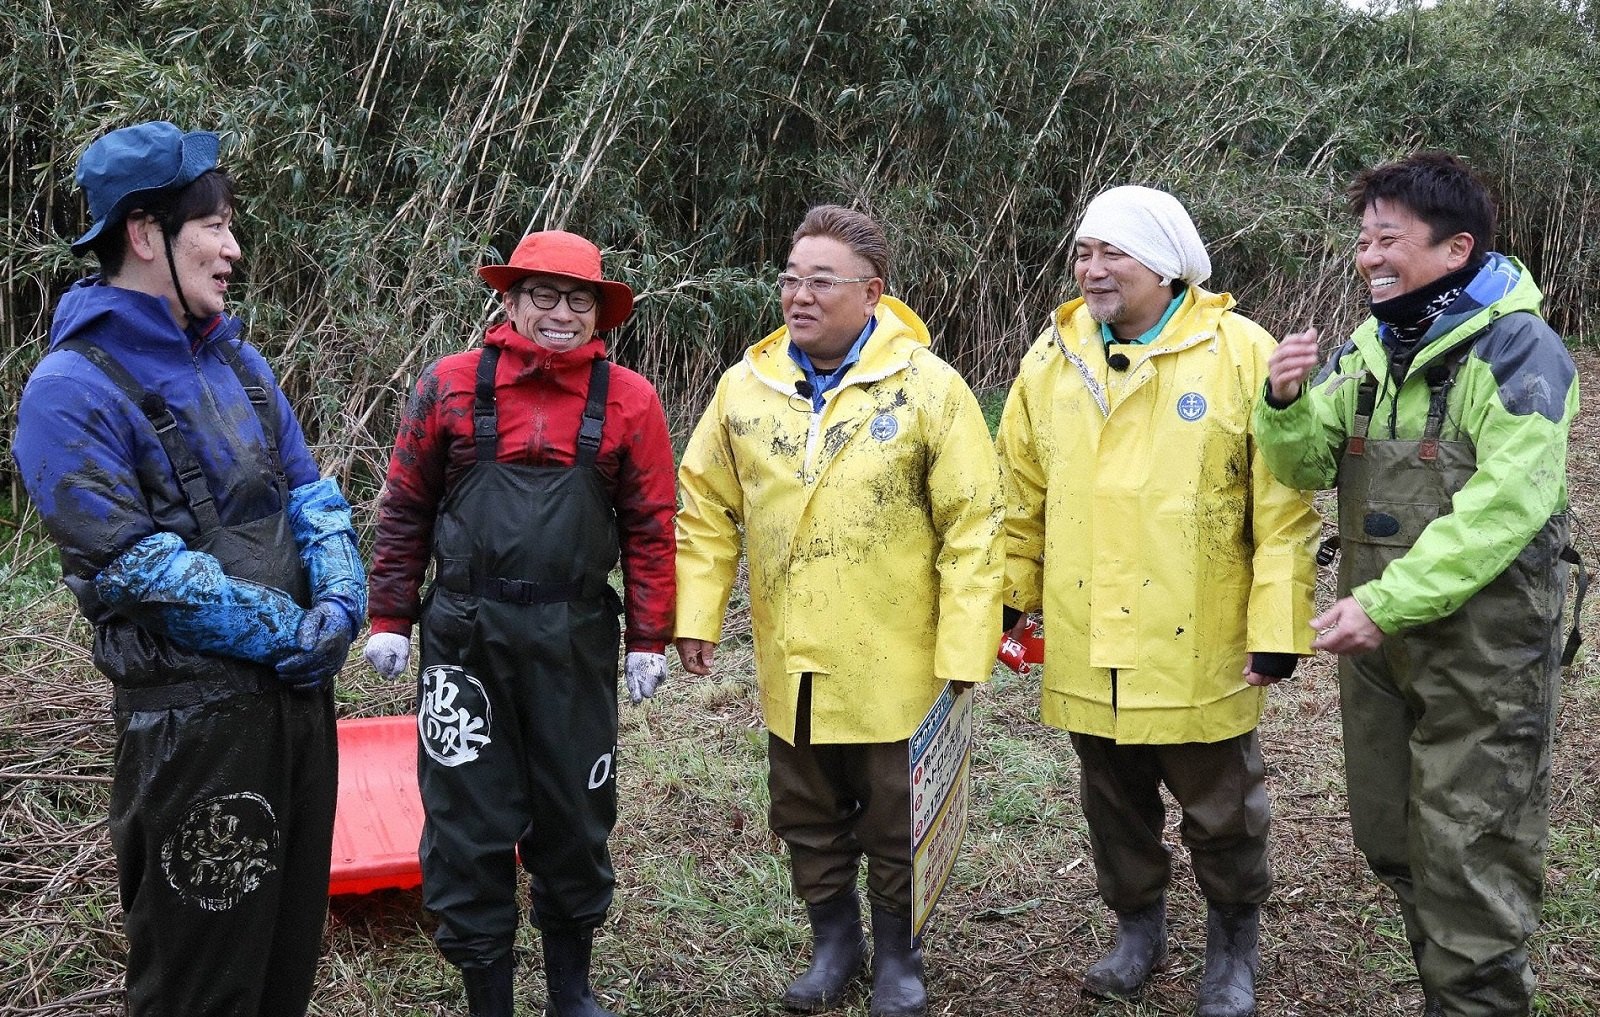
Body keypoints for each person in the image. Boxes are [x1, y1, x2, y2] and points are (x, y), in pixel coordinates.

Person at [11, 121, 364, 1017]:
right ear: (143, 231)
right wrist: (292, 629)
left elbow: (312, 495)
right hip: (189, 732)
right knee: (200, 985)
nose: (233, 248)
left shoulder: (240, 364)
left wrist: (342, 602)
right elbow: (134, 567)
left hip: (297, 709)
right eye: (215, 225)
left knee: (285, 962)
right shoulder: (69, 390)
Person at [1255, 153, 1581, 1017]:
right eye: (1363, 240)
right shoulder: (1373, 345)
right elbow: (1308, 462)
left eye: (1388, 239)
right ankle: (1449, 985)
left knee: (1470, 845)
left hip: (1486, 646)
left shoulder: (1520, 348)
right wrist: (1283, 402)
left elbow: (1506, 507)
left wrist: (1385, 602)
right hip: (1381, 641)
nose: (1368, 256)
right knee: (1393, 831)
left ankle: (1477, 998)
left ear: (1456, 246)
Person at [995, 186, 1320, 1017]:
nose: (1093, 269)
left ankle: (1231, 944)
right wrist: (1007, 599)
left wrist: (1277, 625)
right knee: (1112, 800)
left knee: (1223, 810)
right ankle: (1138, 926)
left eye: (1114, 253)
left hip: (1196, 636)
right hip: (1084, 631)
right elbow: (1018, 495)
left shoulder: (1239, 352)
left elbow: (1282, 509)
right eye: (1083, 252)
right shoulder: (1053, 358)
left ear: (1167, 266)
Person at [674, 204, 1004, 1017]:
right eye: (791, 278)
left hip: (899, 656)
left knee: (896, 815)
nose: (800, 295)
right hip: (795, 654)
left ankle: (898, 950)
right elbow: (706, 508)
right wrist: (696, 614)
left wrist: (968, 645)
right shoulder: (744, 390)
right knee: (806, 810)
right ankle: (834, 942)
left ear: (872, 292)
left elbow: (975, 522)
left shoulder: (929, 387)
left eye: (822, 280)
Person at [363, 229, 676, 1017]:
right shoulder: (449, 384)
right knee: (466, 817)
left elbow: (650, 526)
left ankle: (571, 991)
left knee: (575, 812)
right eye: (543, 294)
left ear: (600, 314)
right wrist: (391, 613)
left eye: (579, 299)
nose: (561, 313)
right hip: (465, 633)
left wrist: (648, 636)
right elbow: (405, 505)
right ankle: (488, 999)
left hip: (573, 634)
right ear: (508, 300)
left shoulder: (631, 400)